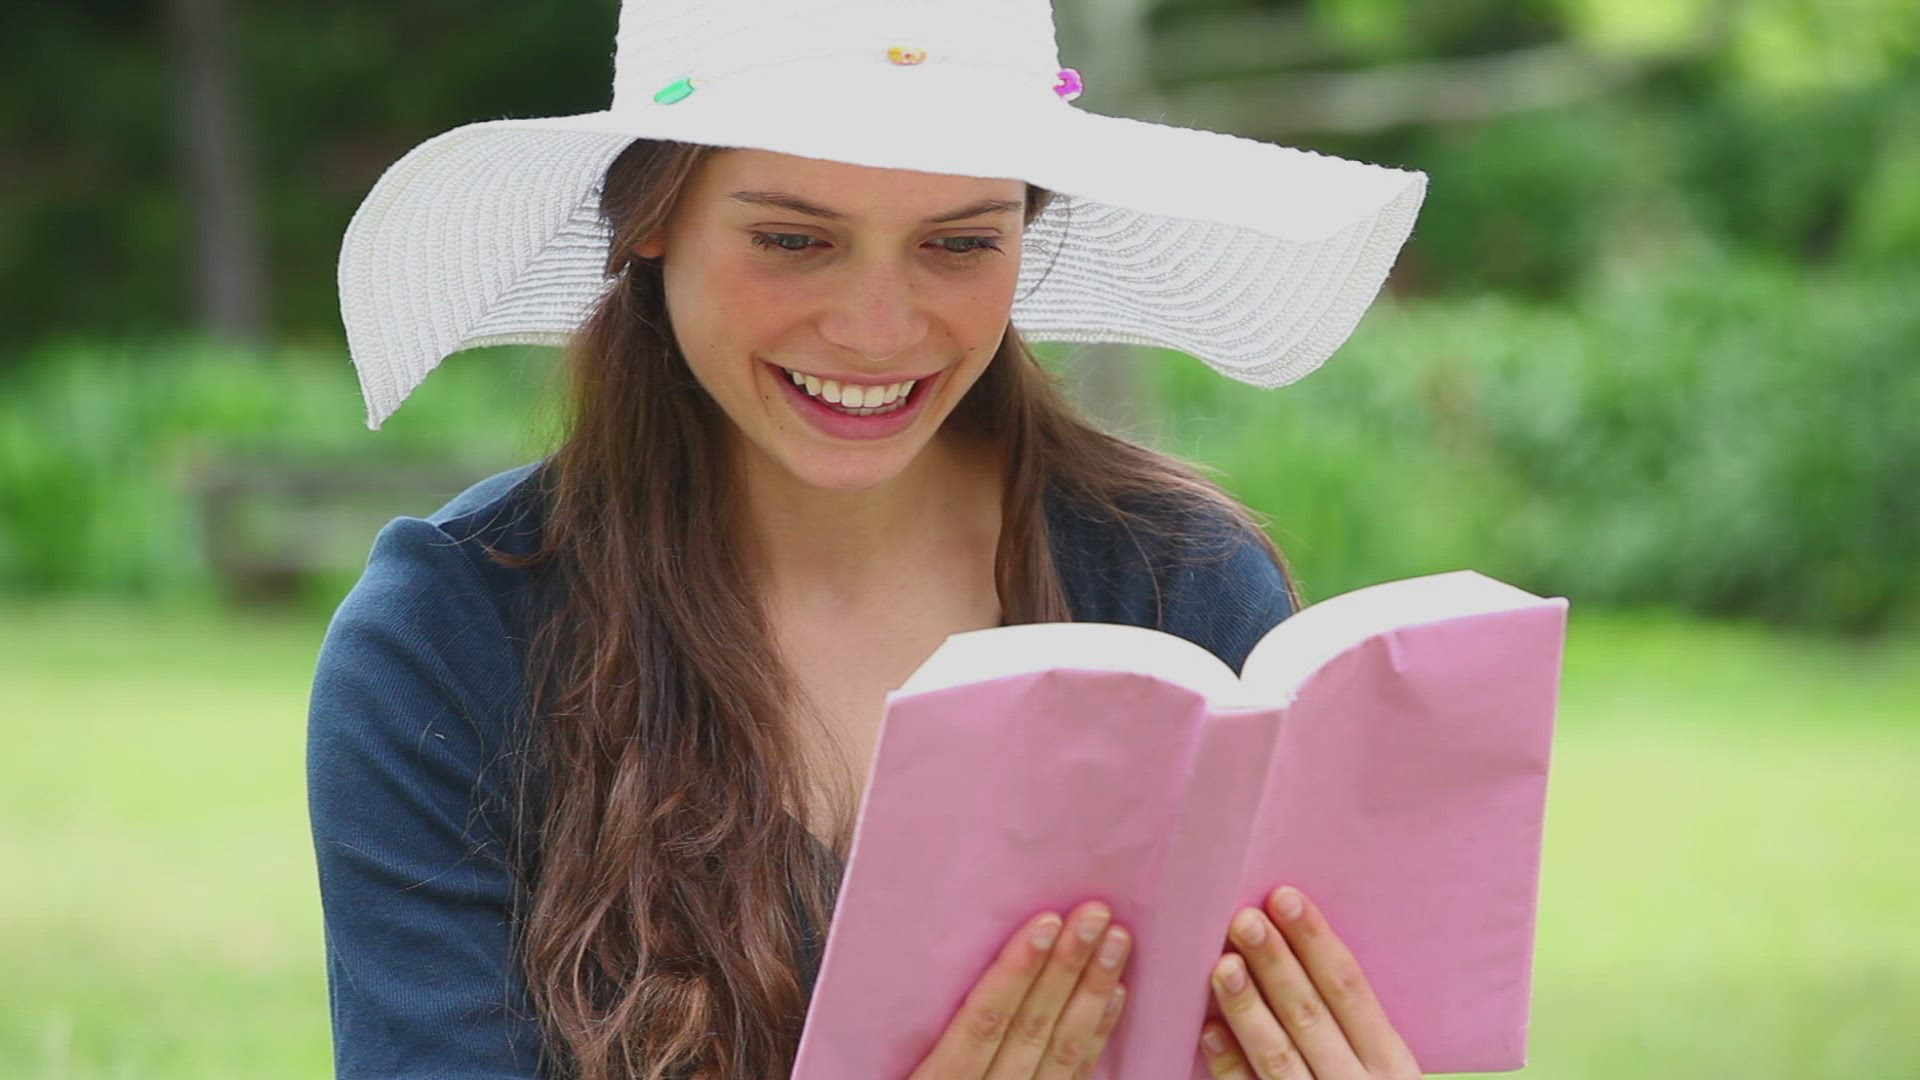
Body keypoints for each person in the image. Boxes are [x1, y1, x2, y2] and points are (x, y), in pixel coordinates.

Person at [309, 2, 1431, 1078]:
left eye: (961, 243)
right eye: (794, 239)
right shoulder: (450, 643)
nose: (877, 329)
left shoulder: (1179, 586)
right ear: (647, 215)